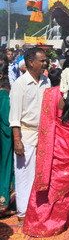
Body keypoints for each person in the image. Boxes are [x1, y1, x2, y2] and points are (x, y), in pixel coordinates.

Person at [23, 59, 69, 237]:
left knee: (54, 182)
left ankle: (50, 220)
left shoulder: (51, 94)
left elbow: (46, 123)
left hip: (56, 147)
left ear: (62, 74)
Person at [9, 47, 50, 222]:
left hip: (44, 134)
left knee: (40, 173)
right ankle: (23, 211)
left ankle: (38, 207)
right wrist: (17, 140)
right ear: (31, 63)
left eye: (45, 61)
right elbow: (14, 117)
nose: (45, 64)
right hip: (25, 135)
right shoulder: (20, 84)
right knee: (24, 173)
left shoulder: (47, 82)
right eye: (41, 61)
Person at [0, 62, 16, 218]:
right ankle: (3, 199)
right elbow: (6, 122)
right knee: (4, 167)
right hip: (3, 140)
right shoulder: (3, 96)